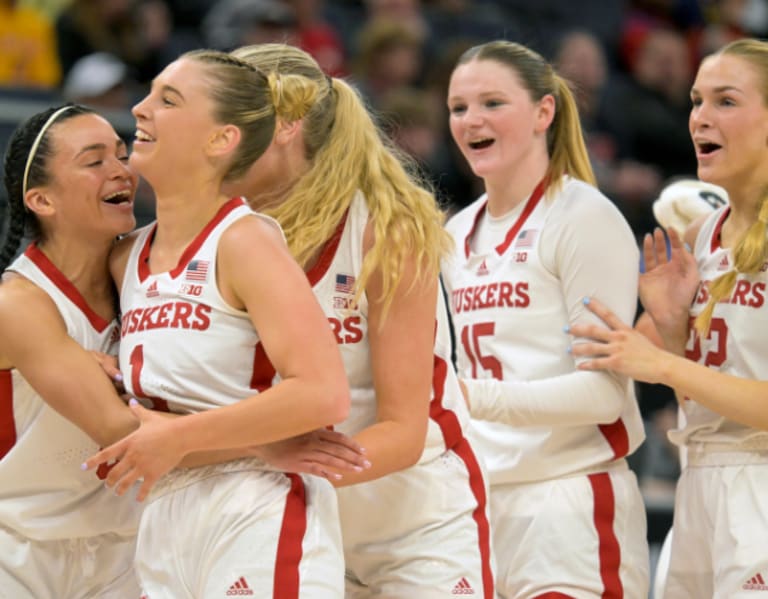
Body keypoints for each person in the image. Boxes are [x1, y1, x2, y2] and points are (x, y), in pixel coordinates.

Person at [222, 42, 495, 598]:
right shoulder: (221, 230)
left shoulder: (383, 227)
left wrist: (281, 464)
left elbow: (402, 431)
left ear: (283, 127)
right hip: (291, 509)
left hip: (413, 522)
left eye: (228, 119)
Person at [83, 49, 353, 597]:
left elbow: (324, 392)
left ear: (220, 140)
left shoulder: (245, 240)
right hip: (164, 512)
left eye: (168, 99)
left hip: (255, 503)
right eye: (149, 93)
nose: (139, 108)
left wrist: (181, 436)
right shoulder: (124, 256)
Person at [441, 40, 650, 598]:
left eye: (492, 103)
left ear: (543, 112)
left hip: (569, 500)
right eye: (458, 108)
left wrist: (471, 398)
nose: (471, 121)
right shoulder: (452, 235)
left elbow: (604, 393)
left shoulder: (582, 215)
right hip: (479, 503)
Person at [569, 38, 768, 598]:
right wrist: (674, 327)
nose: (701, 117)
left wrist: (662, 362)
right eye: (696, 101)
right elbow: (702, 394)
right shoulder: (702, 235)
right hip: (700, 477)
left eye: (725, 101)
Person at [0, 104, 143, 597]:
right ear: (41, 199)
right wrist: (264, 441)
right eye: (94, 160)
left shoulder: (150, 274)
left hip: (126, 552)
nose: (122, 170)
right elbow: (124, 432)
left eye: (123, 155)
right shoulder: (18, 302)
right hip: (19, 551)